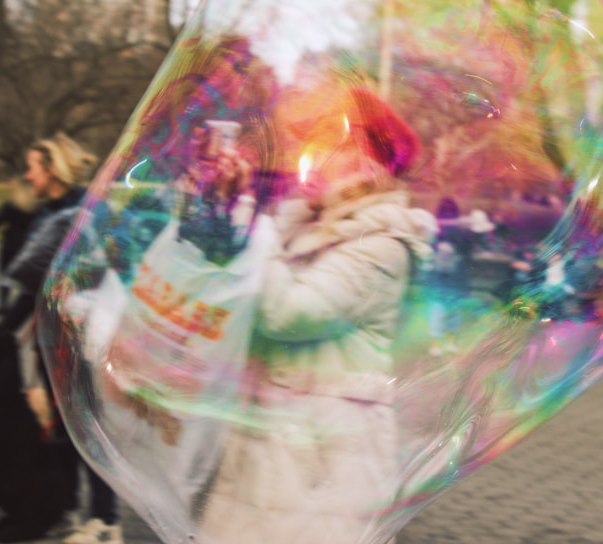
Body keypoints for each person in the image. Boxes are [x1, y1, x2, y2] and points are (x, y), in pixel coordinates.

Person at [198, 86, 435, 543]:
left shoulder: (385, 245)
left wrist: (255, 220)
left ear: (367, 162)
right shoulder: (306, 226)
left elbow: (288, 313)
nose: (309, 153)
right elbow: (237, 293)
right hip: (279, 439)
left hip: (323, 458)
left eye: (328, 142)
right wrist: (225, 204)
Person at [0, 133, 123, 542]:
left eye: (32, 166)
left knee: (88, 428)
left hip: (82, 338)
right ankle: (68, 509)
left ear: (50, 170)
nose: (27, 175)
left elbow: (94, 273)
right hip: (52, 338)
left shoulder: (79, 212)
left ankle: (105, 520)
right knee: (62, 428)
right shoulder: (48, 212)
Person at [427, 197, 478, 356]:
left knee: (440, 313)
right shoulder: (461, 232)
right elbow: (469, 255)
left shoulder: (434, 230)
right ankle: (448, 343)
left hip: (441, 280)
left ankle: (439, 345)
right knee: (450, 313)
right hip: (453, 280)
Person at [0, 178, 39, 314]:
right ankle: (24, 305)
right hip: (28, 242)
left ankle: (4, 304)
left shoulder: (11, 205)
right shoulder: (35, 205)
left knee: (5, 274)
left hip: (11, 241)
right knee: (27, 275)